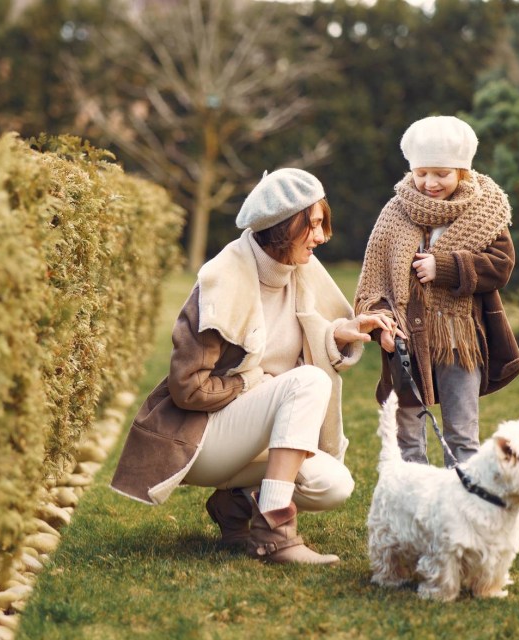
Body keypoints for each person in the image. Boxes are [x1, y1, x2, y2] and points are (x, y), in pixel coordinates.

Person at [111, 169, 396, 565]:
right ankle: (274, 531)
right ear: (282, 227)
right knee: (309, 382)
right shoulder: (222, 280)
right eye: (313, 225)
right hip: (203, 437)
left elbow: (294, 347)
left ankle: (236, 504)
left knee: (333, 485)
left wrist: (338, 333)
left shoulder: (301, 271)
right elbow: (187, 387)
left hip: (253, 437)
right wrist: (251, 383)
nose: (321, 237)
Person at [354, 116, 519, 466]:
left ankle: (462, 495)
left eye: (441, 174)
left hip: (459, 342)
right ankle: (410, 497)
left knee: (462, 434)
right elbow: (375, 284)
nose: (429, 183)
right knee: (407, 436)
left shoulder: (485, 210)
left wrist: (446, 267)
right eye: (421, 173)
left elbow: (501, 264)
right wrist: (383, 326)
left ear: (462, 171)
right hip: (407, 343)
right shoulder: (396, 213)